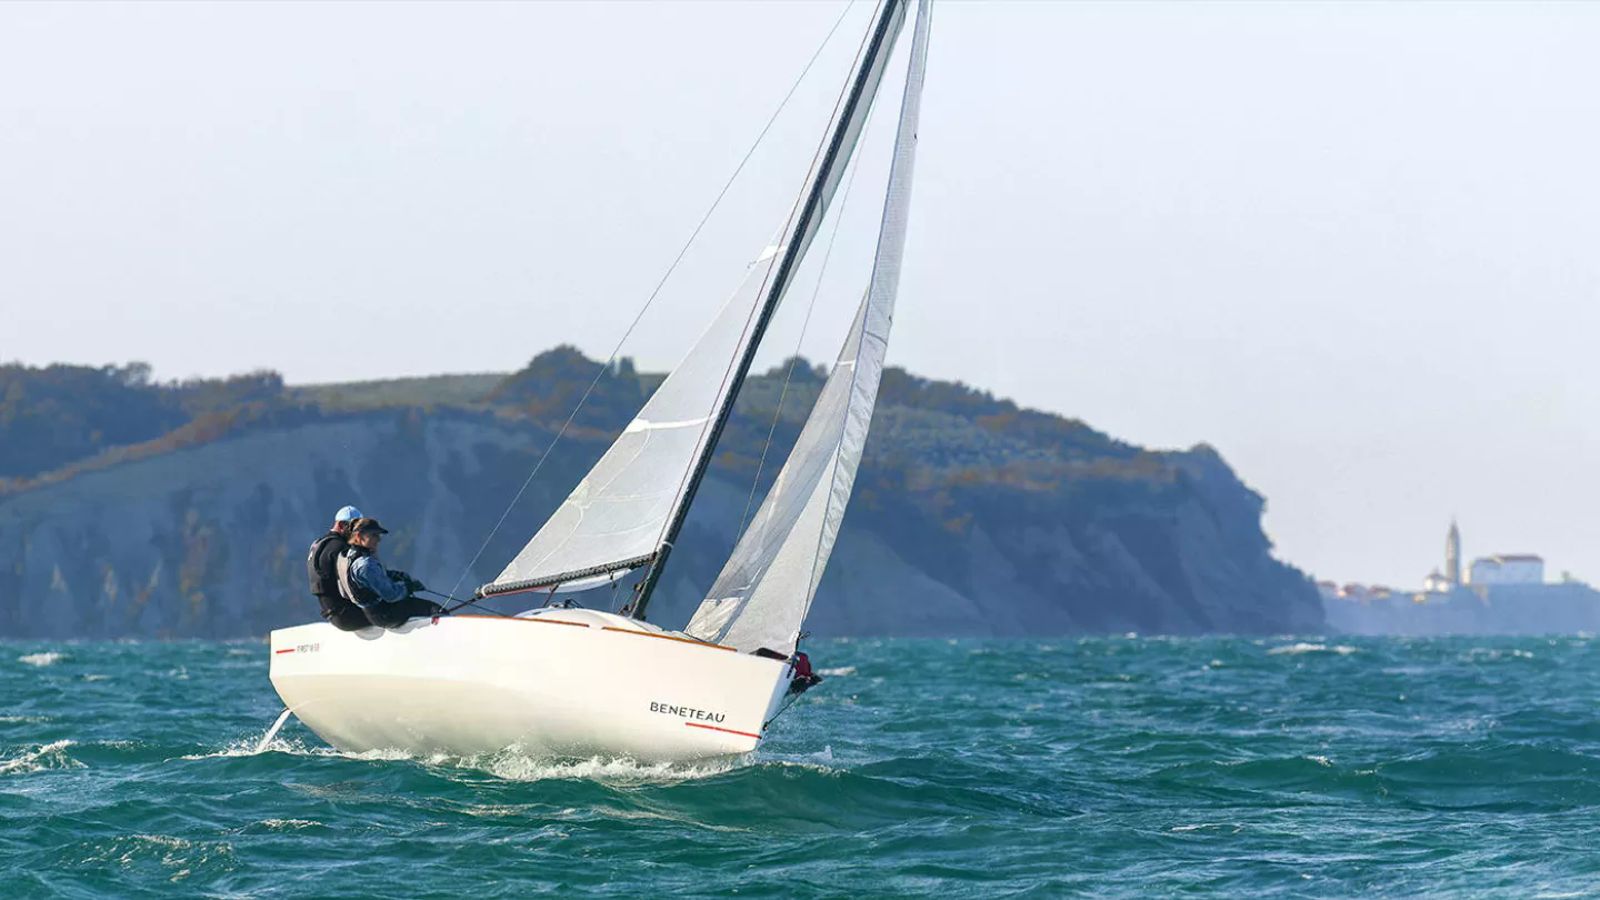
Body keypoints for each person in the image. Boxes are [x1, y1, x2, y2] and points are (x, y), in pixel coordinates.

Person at [336, 517, 443, 628]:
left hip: (371, 613)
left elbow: (361, 582)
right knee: (435, 609)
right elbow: (391, 595)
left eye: (379, 535)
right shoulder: (365, 564)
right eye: (374, 535)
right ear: (359, 536)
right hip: (386, 615)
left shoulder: (348, 555)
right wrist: (409, 587)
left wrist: (392, 575)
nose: (378, 539)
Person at [307, 505, 369, 631]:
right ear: (341, 525)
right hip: (348, 616)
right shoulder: (340, 548)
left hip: (332, 613)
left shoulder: (318, 545)